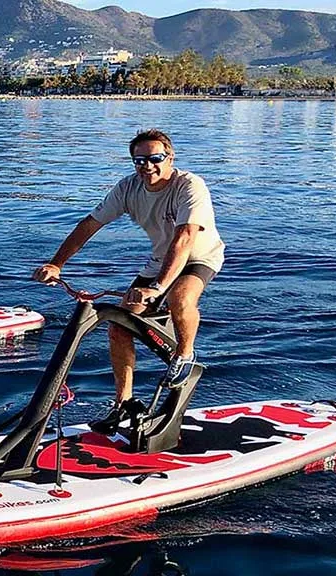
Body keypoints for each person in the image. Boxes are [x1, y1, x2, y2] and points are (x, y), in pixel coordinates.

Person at [33, 129, 225, 434]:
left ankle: (184, 355)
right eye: (139, 161)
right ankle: (123, 404)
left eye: (154, 159)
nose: (147, 166)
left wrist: (158, 288)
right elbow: (90, 224)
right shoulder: (128, 188)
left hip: (198, 256)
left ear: (169, 158)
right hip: (160, 261)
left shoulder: (190, 185)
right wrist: (57, 263)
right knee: (119, 326)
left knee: (181, 297)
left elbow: (185, 237)